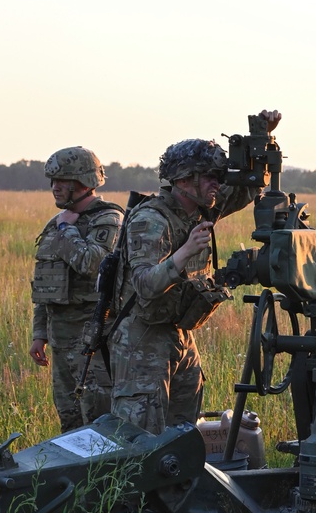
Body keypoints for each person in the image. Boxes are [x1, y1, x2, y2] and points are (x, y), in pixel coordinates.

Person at [109, 113, 279, 433]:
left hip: (180, 334)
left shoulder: (201, 208)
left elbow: (248, 188)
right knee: (141, 441)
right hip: (144, 341)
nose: (218, 183)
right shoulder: (152, 220)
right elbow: (144, 285)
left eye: (218, 176)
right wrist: (184, 252)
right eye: (210, 177)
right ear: (185, 180)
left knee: (184, 436)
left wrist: (261, 136)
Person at [30, 147, 125, 431]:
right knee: (69, 424)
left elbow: (93, 263)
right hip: (60, 340)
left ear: (83, 182)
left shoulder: (107, 219)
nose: (54, 187)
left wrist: (66, 232)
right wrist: (39, 334)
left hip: (93, 340)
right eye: (53, 181)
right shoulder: (58, 222)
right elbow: (44, 282)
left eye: (62, 181)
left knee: (100, 424)